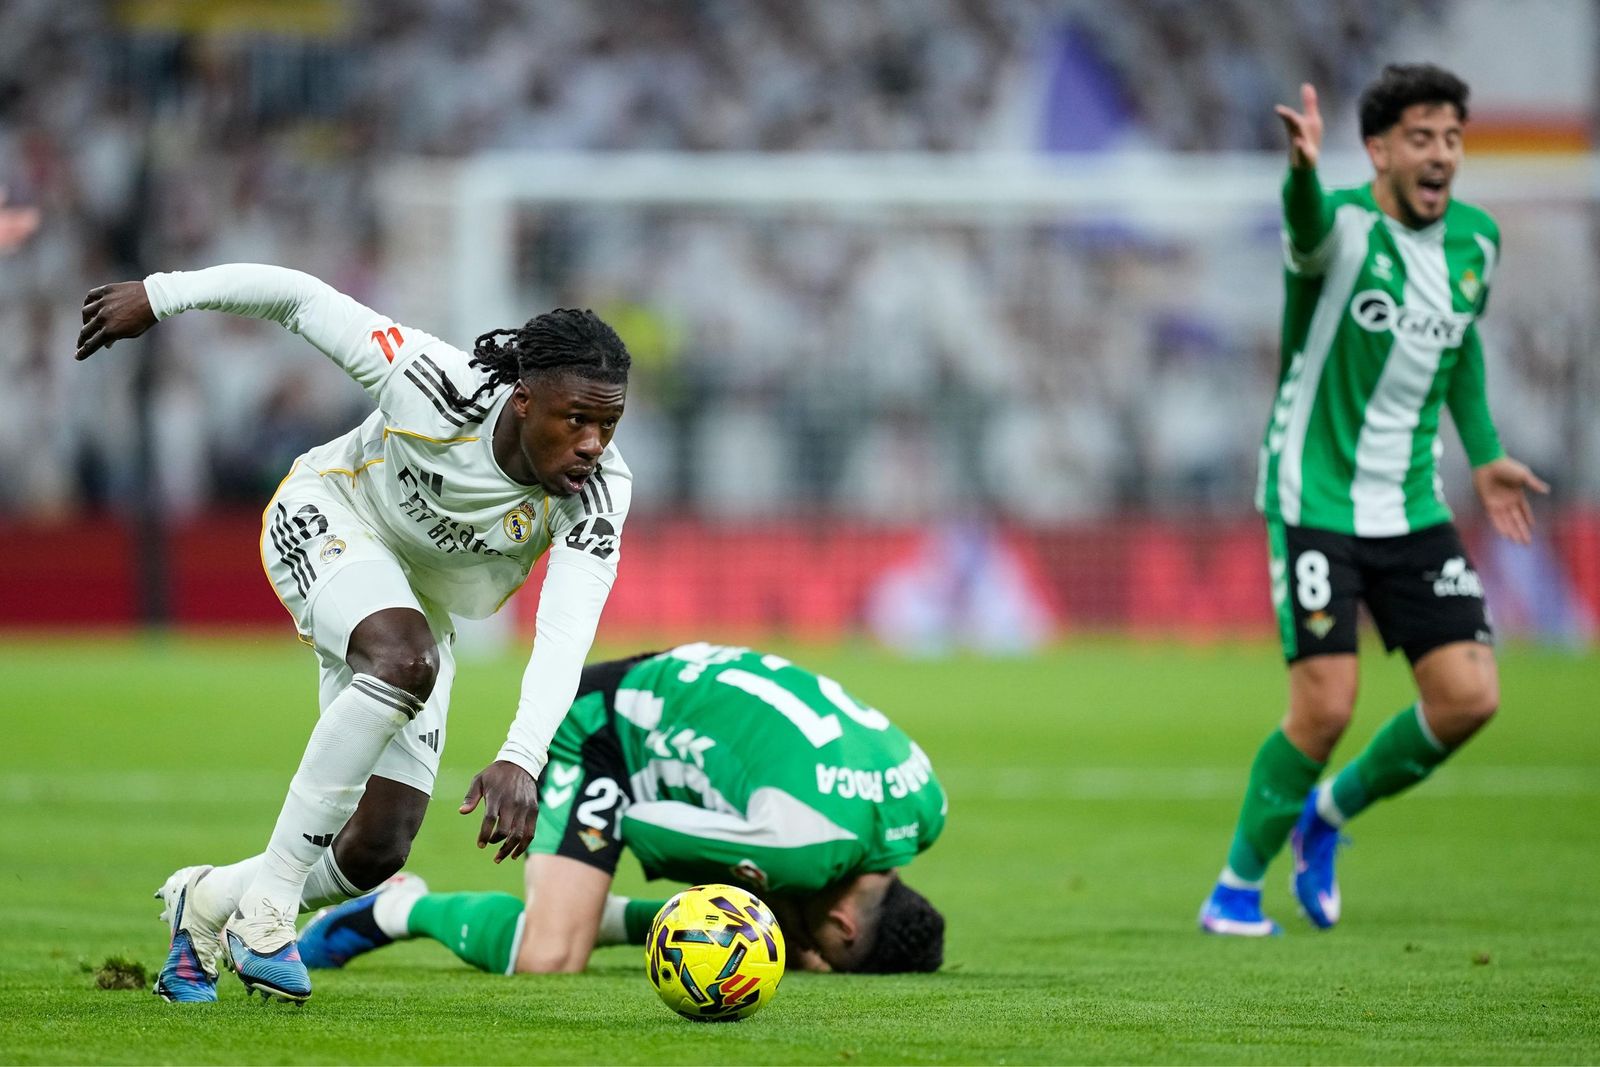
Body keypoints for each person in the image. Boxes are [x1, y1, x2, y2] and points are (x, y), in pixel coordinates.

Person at [77, 265, 634, 1000]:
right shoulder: (438, 383)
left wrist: (520, 756)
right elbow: (304, 300)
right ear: (524, 400)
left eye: (609, 425)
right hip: (329, 516)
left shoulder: (597, 496)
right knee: (406, 658)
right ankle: (270, 912)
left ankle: (205, 902)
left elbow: (567, 631)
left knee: (377, 847)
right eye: (577, 421)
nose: (593, 443)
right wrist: (162, 295)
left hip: (417, 602)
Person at [1199, 65, 1550, 936]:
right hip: (1313, 492)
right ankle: (1233, 890)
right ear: (1381, 149)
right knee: (1325, 705)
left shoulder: (1478, 241)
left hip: (1412, 504)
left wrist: (1490, 455)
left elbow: (1460, 347)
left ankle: (1326, 815)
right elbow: (1306, 225)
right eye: (1423, 138)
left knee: (1470, 696)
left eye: (1453, 139)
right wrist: (1301, 172)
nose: (1442, 156)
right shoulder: (1342, 223)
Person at [296, 643, 947, 975]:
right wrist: (756, 905)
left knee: (768, 923)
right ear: (847, 921)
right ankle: (395, 907)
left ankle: (585, 914)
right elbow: (641, 820)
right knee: (550, 954)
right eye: (824, 944)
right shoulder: (796, 844)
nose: (813, 950)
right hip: (606, 725)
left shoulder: (926, 804)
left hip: (686, 682)